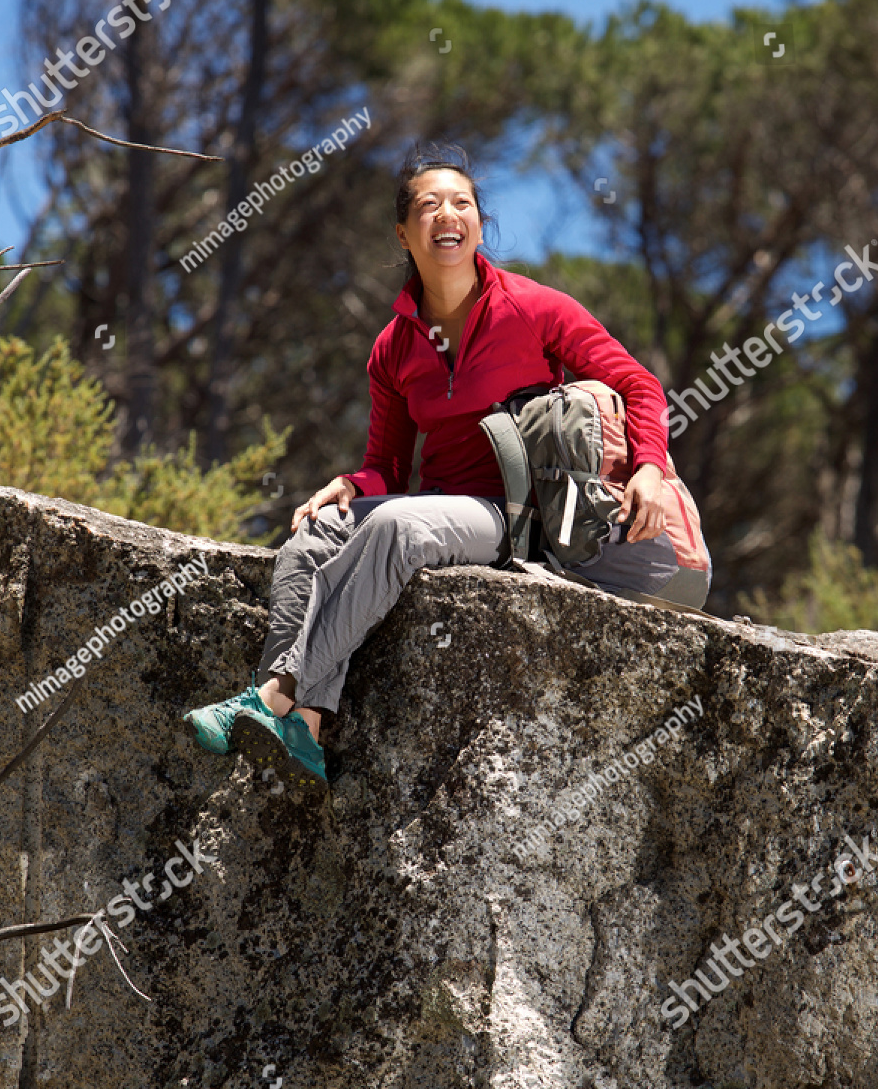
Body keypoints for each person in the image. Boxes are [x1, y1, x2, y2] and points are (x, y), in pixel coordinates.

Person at [184, 141, 711, 791]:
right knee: (316, 532)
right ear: (403, 233)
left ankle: (271, 700)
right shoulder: (393, 348)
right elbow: (386, 465)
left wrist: (649, 469)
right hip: (442, 500)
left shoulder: (535, 307)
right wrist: (351, 484)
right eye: (428, 205)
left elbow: (639, 387)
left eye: (460, 203)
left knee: (396, 530)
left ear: (478, 226)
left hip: (518, 516)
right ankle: (309, 729)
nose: (446, 214)